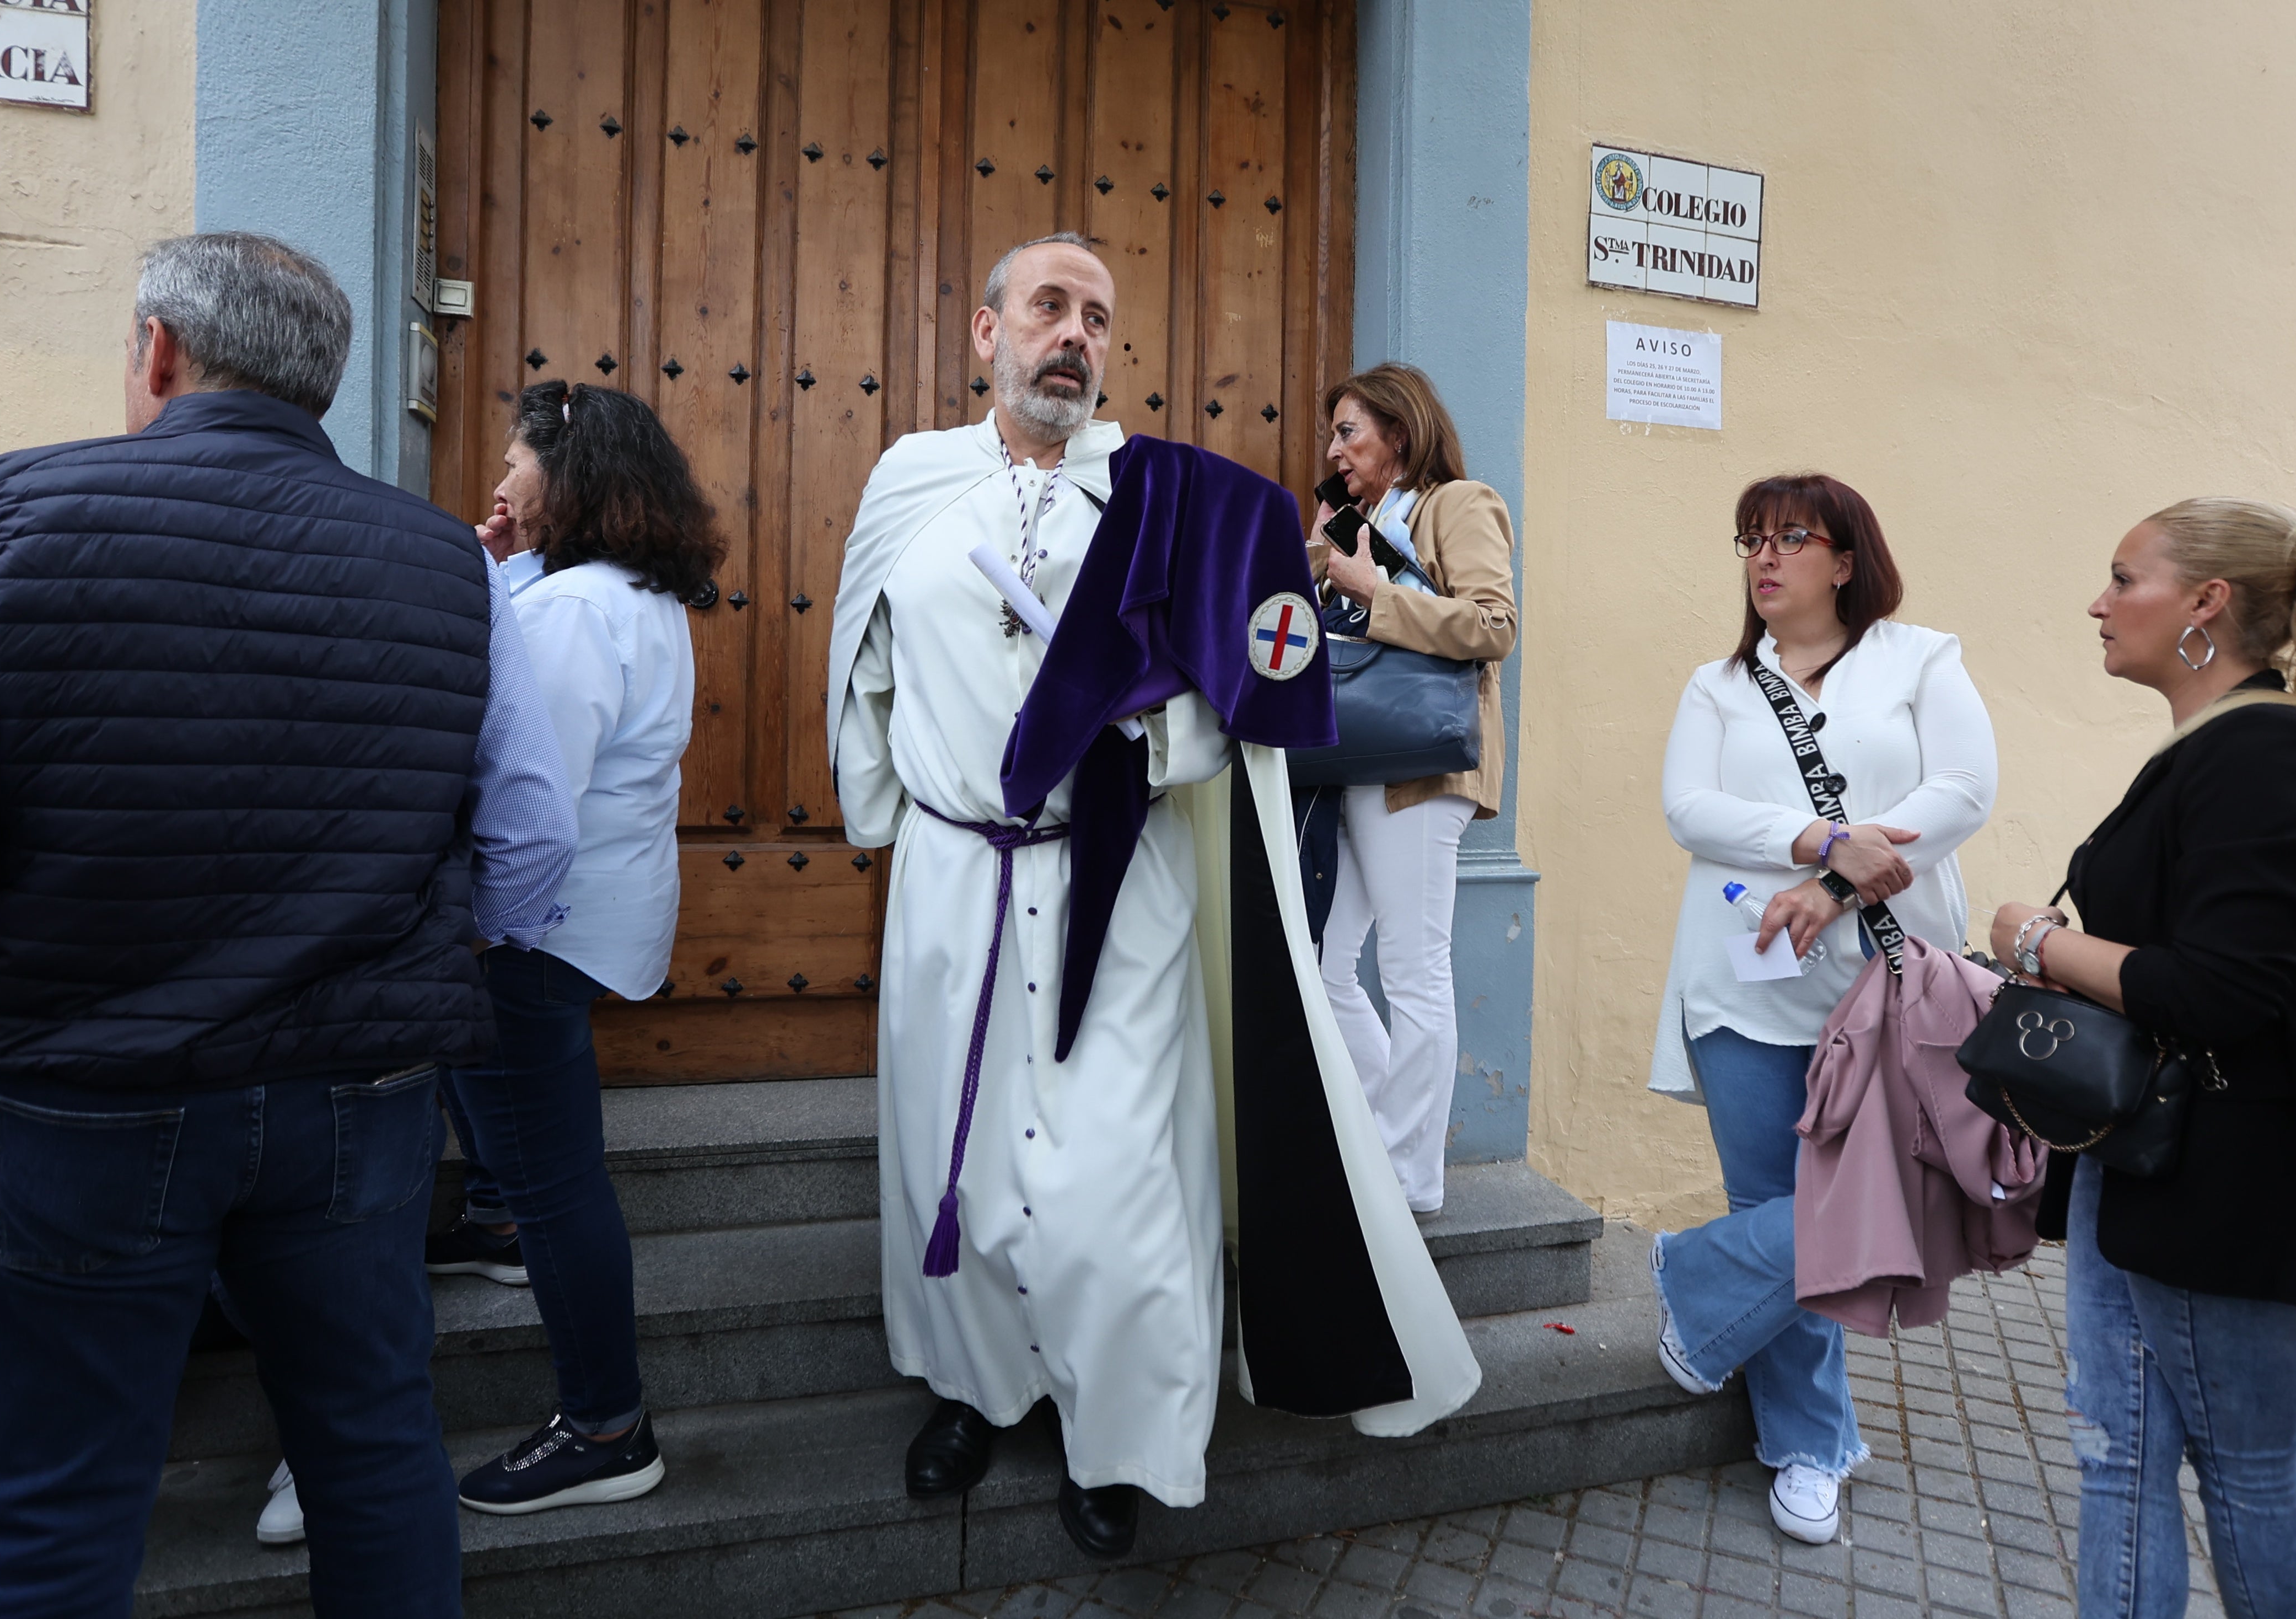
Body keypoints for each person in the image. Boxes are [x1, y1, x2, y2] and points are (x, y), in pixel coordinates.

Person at [827, 232, 1476, 1560]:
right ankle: (974, 1388)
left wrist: (1145, 734)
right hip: (955, 880)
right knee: (953, 1156)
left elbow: (1245, 699)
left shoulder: (1172, 503)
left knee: (1114, 1180)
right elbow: (866, 665)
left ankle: (1115, 1435)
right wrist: (887, 817)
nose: (1073, 334)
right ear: (986, 331)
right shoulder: (910, 480)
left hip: (1115, 882)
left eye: (1096, 317)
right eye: (1047, 308)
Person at [0, 232, 577, 1616]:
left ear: (158, 352)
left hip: (76, 1091)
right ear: (320, 385)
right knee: (374, 1450)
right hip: (357, 1093)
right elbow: (533, 835)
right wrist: (442, 945)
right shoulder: (453, 564)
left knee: (54, 1506)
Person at [1992, 498, 2296, 1617]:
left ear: (2206, 604)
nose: (2098, 602)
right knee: (2114, 1465)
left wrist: (2036, 942)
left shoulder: (2272, 751)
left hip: (2233, 1180)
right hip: (2143, 1160)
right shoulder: (2222, 747)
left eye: (2124, 578)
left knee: (2246, 1478)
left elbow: (2219, 992)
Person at [1647, 473, 1998, 1546]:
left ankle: (1694, 1277)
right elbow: (1689, 807)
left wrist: (1833, 885)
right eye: (1751, 538)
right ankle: (1810, 1441)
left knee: (1873, 1198)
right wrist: (1818, 840)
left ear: (1844, 561)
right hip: (1743, 986)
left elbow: (1963, 791)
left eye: (1790, 537)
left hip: (1887, 989)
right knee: (1778, 1202)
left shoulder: (1919, 659)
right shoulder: (1718, 685)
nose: (1764, 556)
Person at [420, 380, 719, 1515]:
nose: (501, 480)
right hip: (582, 918)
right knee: (517, 1135)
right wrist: (500, 565)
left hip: (533, 929)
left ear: (573, 476)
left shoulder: (575, 612)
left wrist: (475, 932)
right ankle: (495, 1214)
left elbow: (523, 797)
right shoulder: (616, 593)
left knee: (560, 1180)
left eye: (518, 462)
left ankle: (606, 1424)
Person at [1305, 363, 1517, 1216]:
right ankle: (1375, 1131)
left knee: (1412, 967)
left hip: (1422, 766)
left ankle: (1406, 1176)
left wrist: (1376, 591)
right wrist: (1321, 556)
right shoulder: (1356, 526)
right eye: (1332, 435)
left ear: (1398, 431)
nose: (1334, 450)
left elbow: (1493, 625)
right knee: (1324, 964)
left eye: (1348, 432)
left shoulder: (1457, 504)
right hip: (1354, 760)